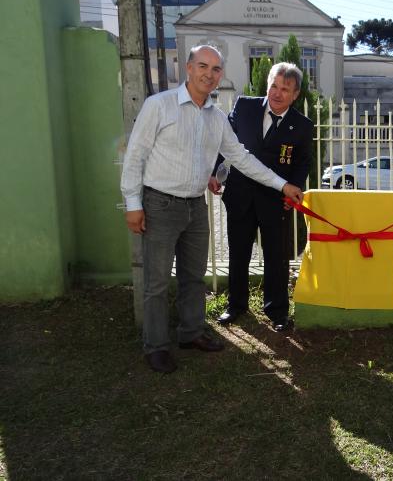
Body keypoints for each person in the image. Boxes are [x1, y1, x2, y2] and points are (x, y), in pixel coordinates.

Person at [120, 45, 303, 374]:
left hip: (194, 206)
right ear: (188, 68)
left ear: (221, 76)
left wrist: (282, 185)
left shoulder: (217, 118)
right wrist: (133, 204)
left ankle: (190, 333)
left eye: (216, 69)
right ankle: (156, 346)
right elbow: (135, 156)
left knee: (193, 279)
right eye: (203, 66)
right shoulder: (158, 106)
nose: (209, 74)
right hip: (160, 203)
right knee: (158, 282)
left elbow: (242, 158)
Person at [210, 63, 313, 333]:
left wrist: (295, 188)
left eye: (285, 89)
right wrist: (214, 173)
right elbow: (225, 144)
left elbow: (303, 163)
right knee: (239, 253)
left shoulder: (302, 126)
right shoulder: (244, 107)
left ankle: (277, 311)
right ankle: (236, 305)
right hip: (239, 194)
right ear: (267, 85)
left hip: (274, 200)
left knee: (276, 257)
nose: (277, 94)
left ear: (295, 94)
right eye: (274, 86)